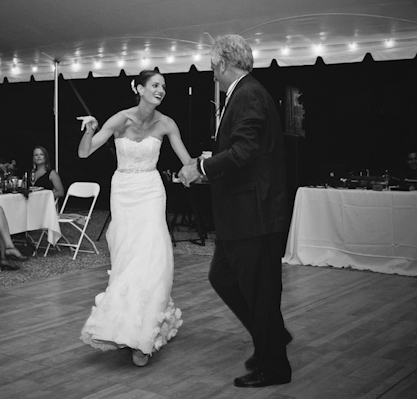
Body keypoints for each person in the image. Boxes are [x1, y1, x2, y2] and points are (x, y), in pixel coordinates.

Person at [179, 34, 292, 388]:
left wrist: (201, 167)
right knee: (224, 278)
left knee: (259, 291)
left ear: (224, 63)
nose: (212, 73)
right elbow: (245, 151)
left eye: (213, 66)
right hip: (242, 217)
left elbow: (244, 152)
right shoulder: (246, 93)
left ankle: (274, 366)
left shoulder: (247, 95)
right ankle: (271, 335)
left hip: (253, 216)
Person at [77, 69, 193, 367]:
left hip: (151, 192)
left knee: (154, 258)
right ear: (139, 88)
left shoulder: (166, 123)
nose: (161, 90)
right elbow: (85, 153)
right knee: (127, 259)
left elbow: (187, 161)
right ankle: (121, 326)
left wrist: (202, 166)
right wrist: (90, 128)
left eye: (163, 86)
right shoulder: (120, 119)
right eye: (155, 85)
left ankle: (143, 334)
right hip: (124, 191)